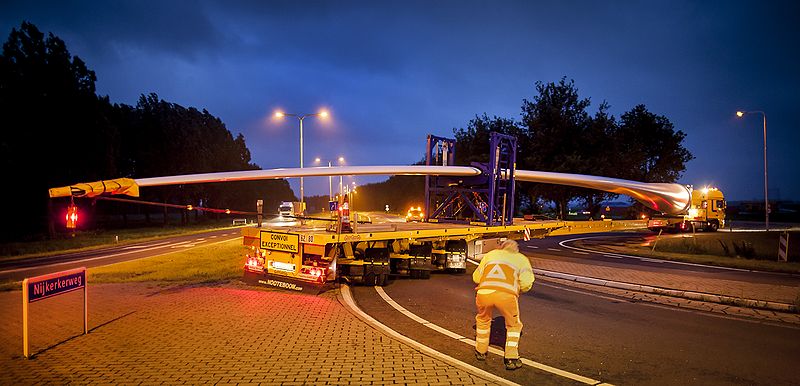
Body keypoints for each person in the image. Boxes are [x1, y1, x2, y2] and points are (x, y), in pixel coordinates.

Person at [472, 239, 534, 370]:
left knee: (483, 320)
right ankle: (511, 358)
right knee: (514, 325)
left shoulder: (491, 255)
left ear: (502, 248)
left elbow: (476, 277)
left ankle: (481, 351)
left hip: (484, 292)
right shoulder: (521, 259)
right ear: (516, 249)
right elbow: (527, 282)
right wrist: (519, 289)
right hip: (506, 295)